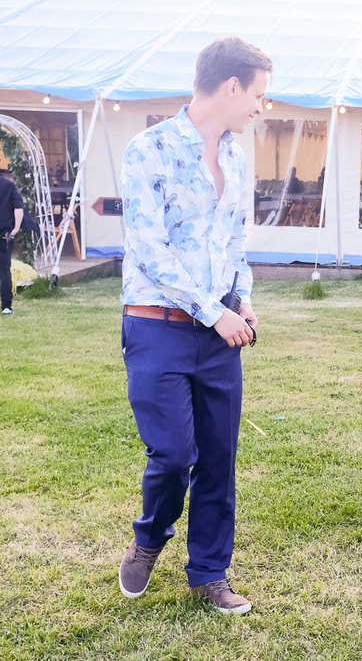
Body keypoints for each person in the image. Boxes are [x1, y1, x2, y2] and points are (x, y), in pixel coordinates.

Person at [117, 37, 271, 614]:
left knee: (217, 458)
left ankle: (209, 573)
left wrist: (244, 300)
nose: (262, 106)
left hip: (222, 328)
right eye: (258, 94)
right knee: (175, 453)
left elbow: (235, 241)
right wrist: (217, 312)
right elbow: (150, 250)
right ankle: (149, 539)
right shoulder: (147, 149)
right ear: (231, 87)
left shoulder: (235, 155)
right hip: (158, 326)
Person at [0, 168, 25, 316]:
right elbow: (18, 208)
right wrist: (15, 229)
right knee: (4, 271)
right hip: (4, 234)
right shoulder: (10, 185)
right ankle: (6, 307)